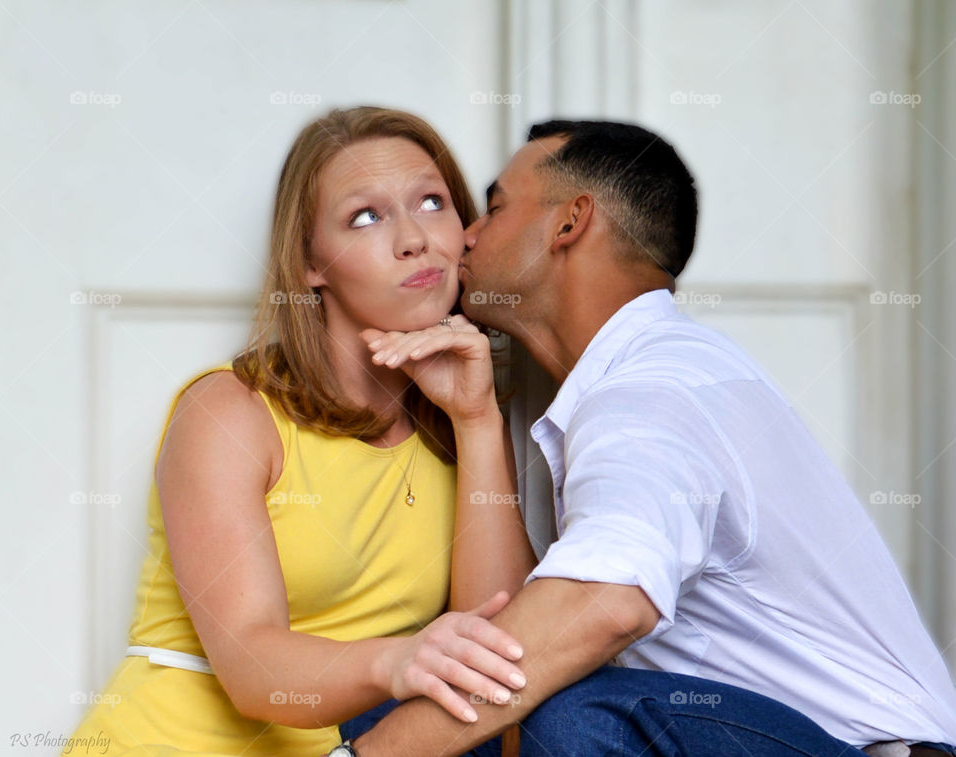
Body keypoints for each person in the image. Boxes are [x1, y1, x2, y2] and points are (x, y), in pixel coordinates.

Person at [338, 120, 956, 756]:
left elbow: (607, 605)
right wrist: (475, 421)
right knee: (416, 708)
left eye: (493, 209)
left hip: (862, 750)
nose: (465, 235)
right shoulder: (654, 373)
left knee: (577, 714)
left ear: (570, 223)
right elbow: (509, 641)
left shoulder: (651, 394)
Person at [62, 106, 537, 757]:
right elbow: (252, 665)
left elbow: (502, 652)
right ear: (312, 263)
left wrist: (477, 420)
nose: (413, 239)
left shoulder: (461, 423)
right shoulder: (228, 413)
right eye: (364, 216)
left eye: (432, 201)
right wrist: (394, 661)